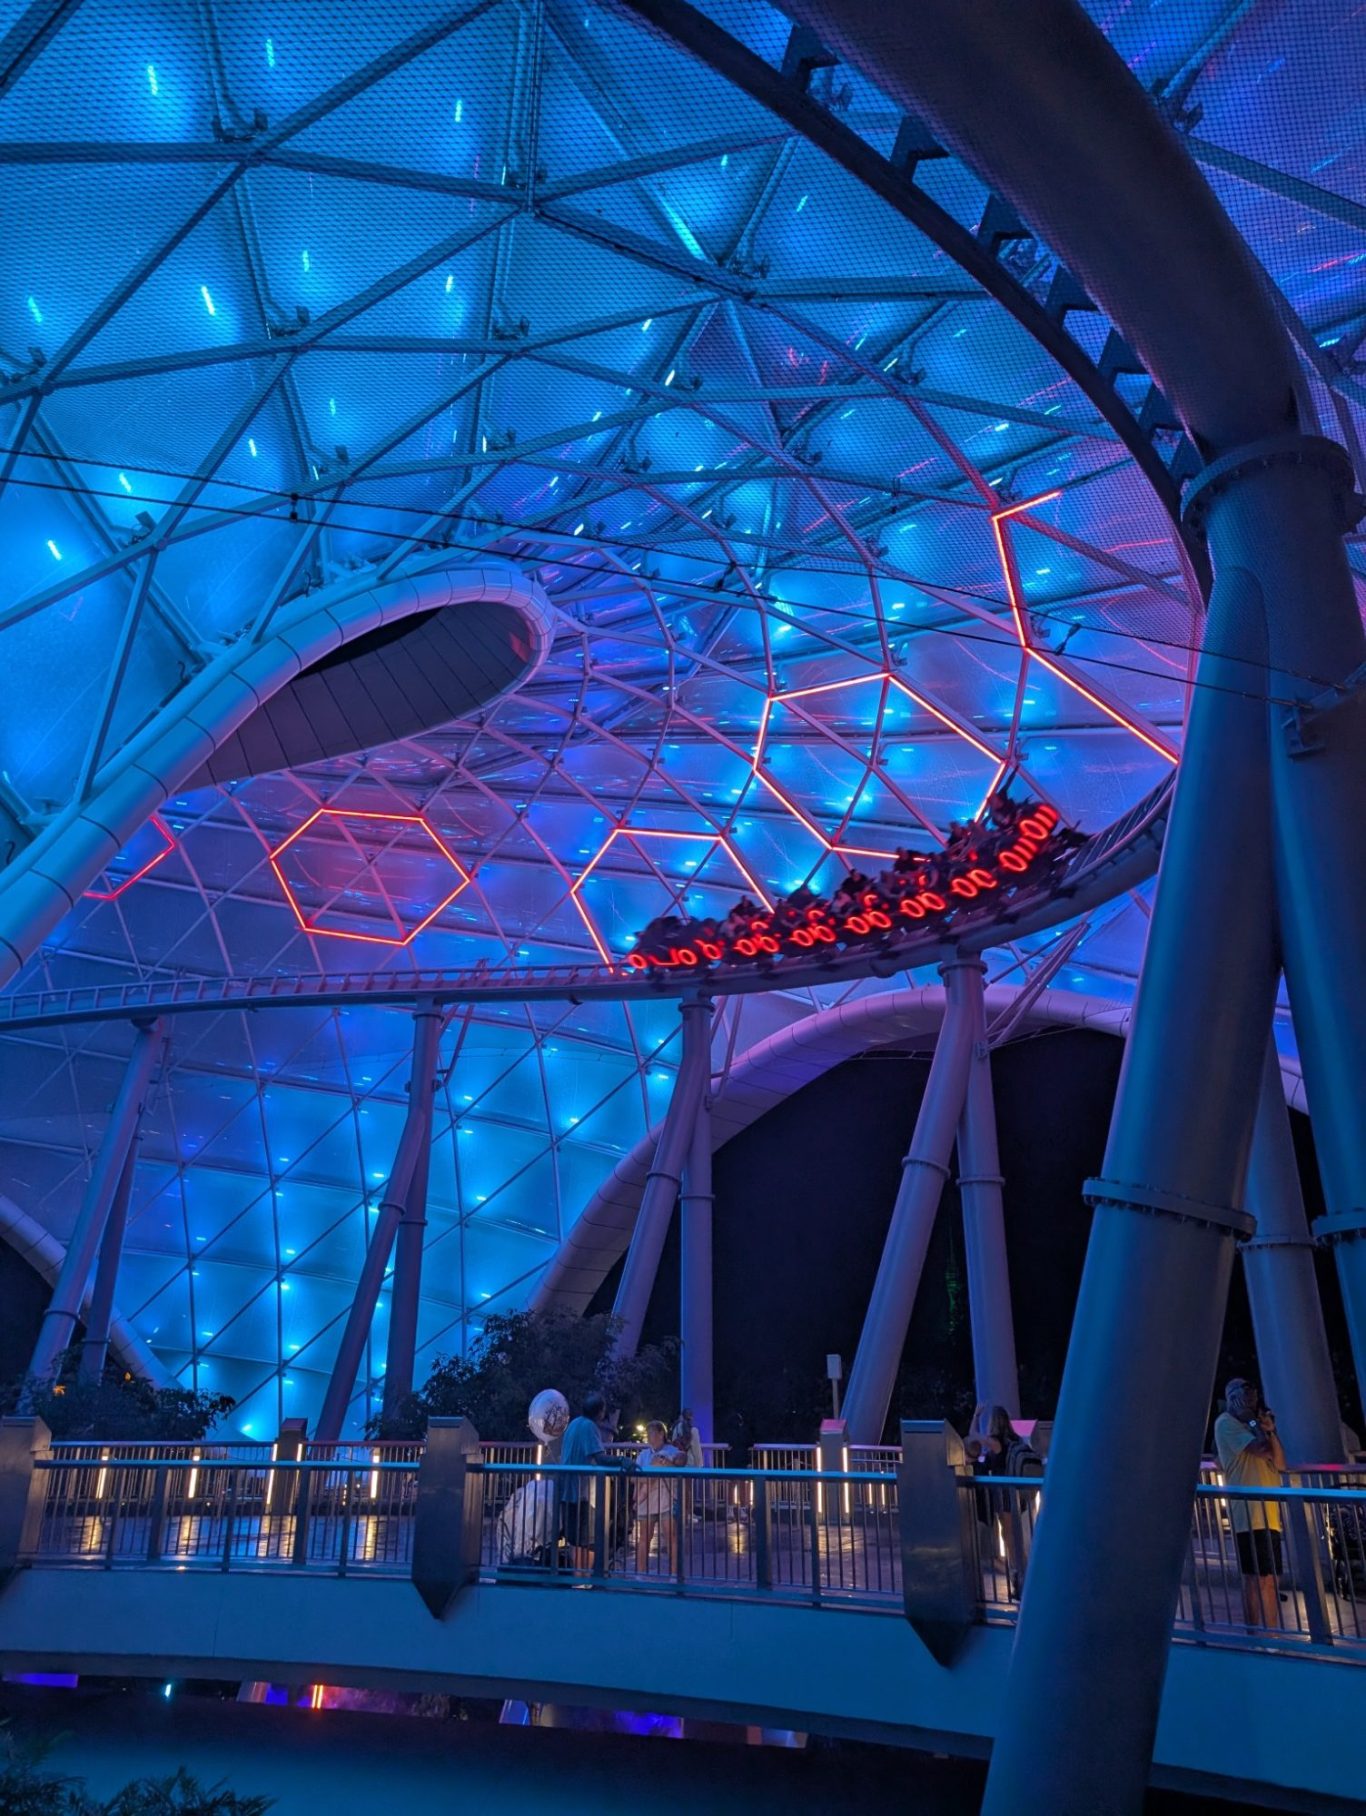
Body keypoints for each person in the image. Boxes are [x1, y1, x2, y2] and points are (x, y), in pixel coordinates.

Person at [1214, 1377, 1287, 1630]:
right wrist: (1258, 1428)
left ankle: (1269, 1633)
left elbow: (1279, 1462)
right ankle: (1257, 1633)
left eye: (1253, 1394)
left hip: (1269, 1513)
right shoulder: (1225, 1424)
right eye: (1245, 1394)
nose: (1251, 1399)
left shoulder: (1252, 1425)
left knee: (1271, 1578)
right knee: (1257, 1578)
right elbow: (1260, 1449)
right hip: (1249, 1513)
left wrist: (1268, 1429)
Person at [964, 1403, 1043, 1599]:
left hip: (1005, 1499)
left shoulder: (996, 1443)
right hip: (1016, 1497)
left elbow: (972, 1436)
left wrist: (975, 1416)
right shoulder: (1013, 1440)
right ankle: (1023, 1579)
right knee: (1016, 1540)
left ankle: (1020, 1580)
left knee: (1011, 1542)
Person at [558, 1390, 612, 1572]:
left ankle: (577, 1579)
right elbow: (600, 1457)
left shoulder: (573, 1424)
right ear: (600, 1411)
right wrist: (623, 1461)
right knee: (588, 1541)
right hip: (582, 1494)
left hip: (568, 1491)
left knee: (574, 1540)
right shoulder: (589, 1427)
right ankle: (585, 1580)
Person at [633, 1421, 681, 1575]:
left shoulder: (673, 1452)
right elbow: (634, 1477)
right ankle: (641, 1573)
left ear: (661, 1434)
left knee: (671, 1536)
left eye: (652, 1433)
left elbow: (678, 1469)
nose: (649, 1437)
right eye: (648, 1434)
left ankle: (674, 1573)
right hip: (647, 1502)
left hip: (666, 1498)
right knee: (644, 1537)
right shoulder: (643, 1455)